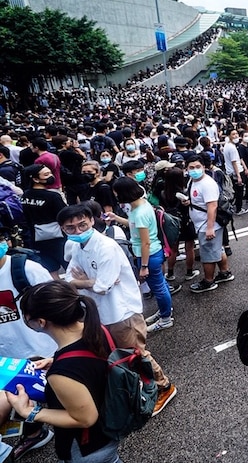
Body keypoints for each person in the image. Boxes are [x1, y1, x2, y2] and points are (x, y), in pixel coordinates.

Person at [58, 204, 177, 416]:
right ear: (62, 229)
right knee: (118, 354)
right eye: (70, 228)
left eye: (82, 225)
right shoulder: (77, 247)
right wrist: (86, 281)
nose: (77, 231)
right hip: (100, 313)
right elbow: (69, 278)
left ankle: (163, 387)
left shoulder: (106, 247)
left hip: (122, 312)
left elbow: (103, 287)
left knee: (137, 353)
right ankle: (140, 387)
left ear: (92, 221)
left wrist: (82, 281)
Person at [8, 281, 121, 463]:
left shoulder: (62, 373)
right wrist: (57, 361)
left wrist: (30, 412)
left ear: (41, 322)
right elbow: (94, 364)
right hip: (110, 425)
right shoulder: (96, 330)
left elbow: (86, 418)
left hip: (88, 448)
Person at [0, 227, 56, 461]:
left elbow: (59, 305)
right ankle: (35, 432)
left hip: (43, 351)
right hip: (8, 353)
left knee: (58, 398)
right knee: (18, 398)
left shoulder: (26, 270)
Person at [110, 177, 175, 332]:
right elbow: (134, 227)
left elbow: (145, 242)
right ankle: (165, 311)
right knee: (161, 285)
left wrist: (144, 266)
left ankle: (166, 318)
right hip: (152, 252)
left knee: (158, 288)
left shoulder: (139, 213)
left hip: (149, 255)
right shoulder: (140, 205)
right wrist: (116, 218)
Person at [182, 155, 233, 293]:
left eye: (198, 167)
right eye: (191, 167)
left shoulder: (207, 184)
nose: (195, 170)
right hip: (202, 224)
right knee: (217, 249)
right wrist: (189, 202)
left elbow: (212, 207)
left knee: (208, 255)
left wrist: (210, 228)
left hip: (208, 226)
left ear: (204, 167)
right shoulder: (192, 181)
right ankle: (224, 272)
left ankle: (208, 281)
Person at [20, 164, 67, 275]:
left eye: (50, 173)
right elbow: (65, 215)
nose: (50, 176)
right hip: (58, 239)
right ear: (35, 179)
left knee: (51, 272)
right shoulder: (53, 196)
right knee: (72, 269)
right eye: (46, 174)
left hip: (36, 239)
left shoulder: (25, 195)